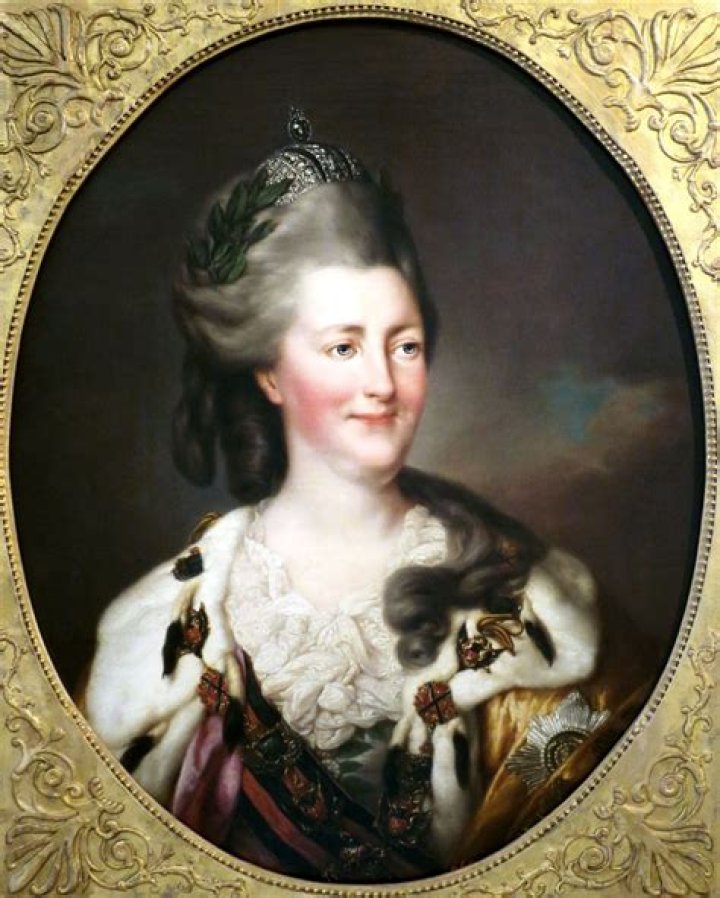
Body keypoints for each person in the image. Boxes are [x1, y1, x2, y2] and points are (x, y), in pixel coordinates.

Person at [84, 110, 651, 882]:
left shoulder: (537, 606)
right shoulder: (168, 623)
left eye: (404, 345)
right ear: (270, 372)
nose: (382, 382)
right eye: (343, 347)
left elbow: (602, 827)